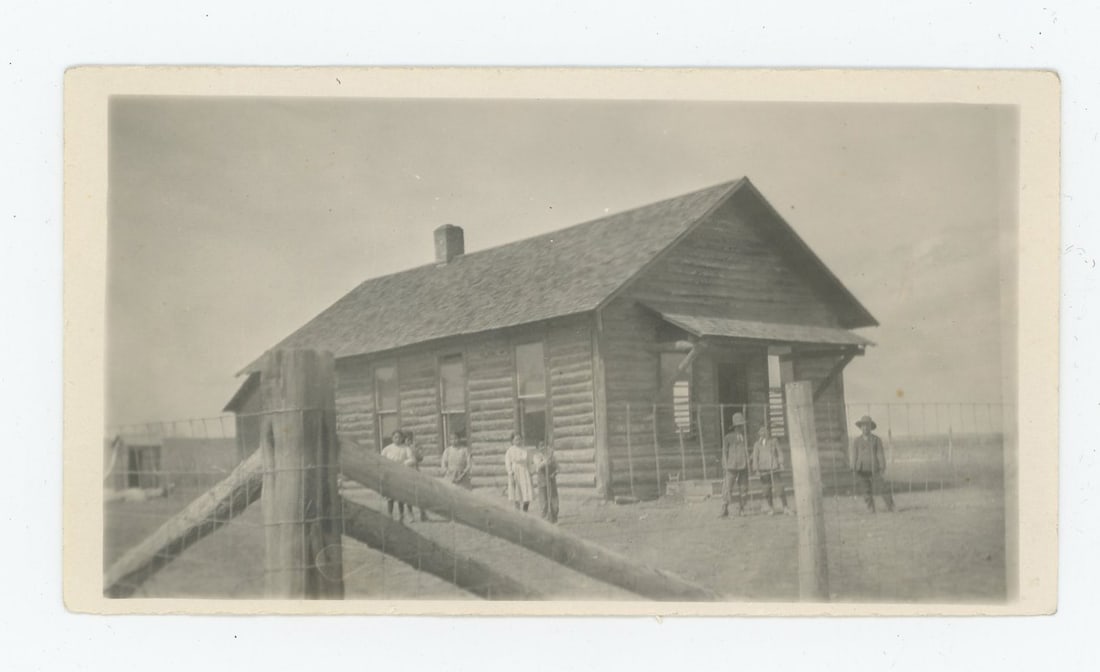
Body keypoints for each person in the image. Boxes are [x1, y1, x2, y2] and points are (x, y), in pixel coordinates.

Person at [851, 415, 895, 513]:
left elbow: (880, 453)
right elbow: (854, 455)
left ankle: (890, 506)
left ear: (871, 427)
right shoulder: (857, 441)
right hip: (861, 469)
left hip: (874, 468)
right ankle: (870, 507)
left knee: (882, 487)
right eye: (863, 426)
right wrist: (853, 467)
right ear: (860, 427)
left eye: (867, 426)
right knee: (865, 489)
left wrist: (882, 466)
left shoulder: (876, 440)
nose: (865, 428)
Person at [751, 426, 790, 515]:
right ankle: (771, 508)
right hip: (763, 469)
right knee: (766, 489)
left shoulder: (774, 441)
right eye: (761, 432)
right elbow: (755, 457)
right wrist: (756, 469)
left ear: (768, 433)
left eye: (765, 432)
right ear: (759, 434)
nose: (763, 434)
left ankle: (785, 507)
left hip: (774, 467)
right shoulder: (757, 444)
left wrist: (781, 463)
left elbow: (779, 452)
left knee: (779, 487)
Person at [720, 412, 752, 517]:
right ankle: (725, 509)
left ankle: (742, 509)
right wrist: (725, 464)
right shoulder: (728, 437)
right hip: (731, 466)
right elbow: (724, 452)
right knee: (727, 487)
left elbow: (749, 451)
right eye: (739, 426)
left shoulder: (746, 437)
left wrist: (749, 460)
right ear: (735, 427)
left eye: (742, 426)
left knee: (743, 488)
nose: (741, 428)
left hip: (743, 466)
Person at [380, 429, 412, 523]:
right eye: (395, 437)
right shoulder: (387, 449)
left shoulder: (406, 448)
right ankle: (389, 515)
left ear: (402, 438)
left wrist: (403, 463)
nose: (397, 439)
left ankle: (401, 515)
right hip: (390, 474)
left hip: (401, 474)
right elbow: (381, 459)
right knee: (390, 496)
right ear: (392, 438)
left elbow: (412, 459)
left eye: (399, 437)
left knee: (400, 495)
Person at [403, 429, 430, 522]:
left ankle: (423, 513)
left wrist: (417, 450)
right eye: (407, 439)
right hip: (405, 474)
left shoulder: (413, 447)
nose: (408, 441)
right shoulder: (402, 449)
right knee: (408, 495)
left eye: (410, 439)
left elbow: (420, 458)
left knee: (420, 494)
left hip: (415, 472)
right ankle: (410, 514)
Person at [504, 432, 534, 512]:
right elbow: (507, 463)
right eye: (516, 439)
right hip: (515, 471)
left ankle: (525, 510)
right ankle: (517, 510)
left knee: (526, 491)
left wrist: (530, 471)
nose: (518, 441)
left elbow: (529, 462)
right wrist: (510, 473)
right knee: (516, 492)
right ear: (512, 441)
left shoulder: (526, 450)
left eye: (520, 439)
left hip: (525, 471)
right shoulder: (510, 450)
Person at [531, 440, 560, 523]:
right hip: (542, 480)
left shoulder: (551, 456)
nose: (543, 447)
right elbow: (539, 466)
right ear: (537, 448)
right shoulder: (536, 456)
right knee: (544, 500)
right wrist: (547, 459)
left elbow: (558, 467)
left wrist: (555, 473)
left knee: (553, 498)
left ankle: (554, 517)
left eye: (544, 445)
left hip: (551, 480)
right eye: (541, 446)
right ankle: (545, 518)